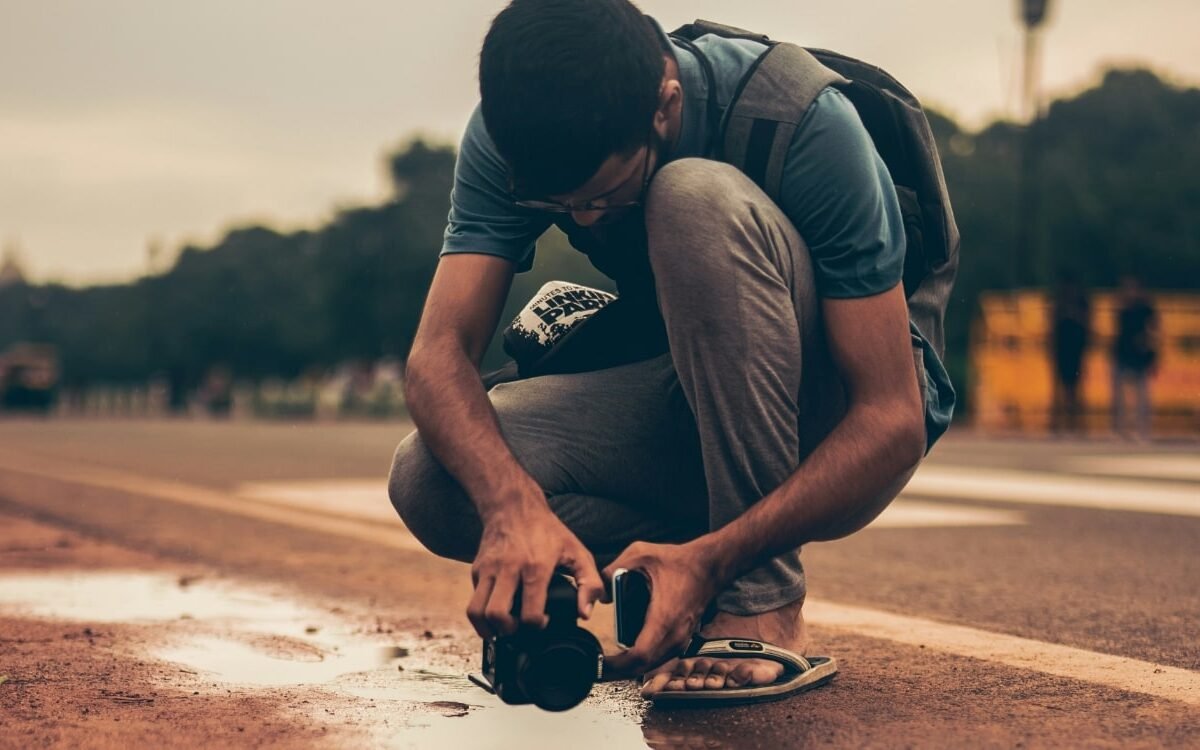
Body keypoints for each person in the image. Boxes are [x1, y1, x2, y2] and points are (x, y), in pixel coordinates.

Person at [388, 0, 955, 703]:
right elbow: (437, 356)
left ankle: (761, 600)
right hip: (696, 399)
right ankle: (680, 566)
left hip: (834, 415)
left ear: (666, 106)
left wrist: (723, 561)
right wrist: (515, 510)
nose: (584, 219)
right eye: (555, 206)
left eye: (606, 196)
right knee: (428, 477)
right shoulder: (510, 140)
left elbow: (892, 419)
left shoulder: (804, 123)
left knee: (689, 198)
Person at [1111, 275, 1158, 440]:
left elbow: (1154, 333)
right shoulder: (1122, 309)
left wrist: (1152, 357)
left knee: (1142, 396)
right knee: (1120, 397)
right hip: (1123, 354)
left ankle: (1142, 430)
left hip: (1139, 356)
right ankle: (1120, 430)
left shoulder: (1146, 309)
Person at [1049, 272, 1091, 435]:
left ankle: (1075, 424)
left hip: (1076, 349)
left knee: (1075, 389)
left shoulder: (1082, 303)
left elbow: (1087, 324)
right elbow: (1052, 327)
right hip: (1061, 348)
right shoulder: (1059, 303)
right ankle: (1057, 424)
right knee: (1058, 388)